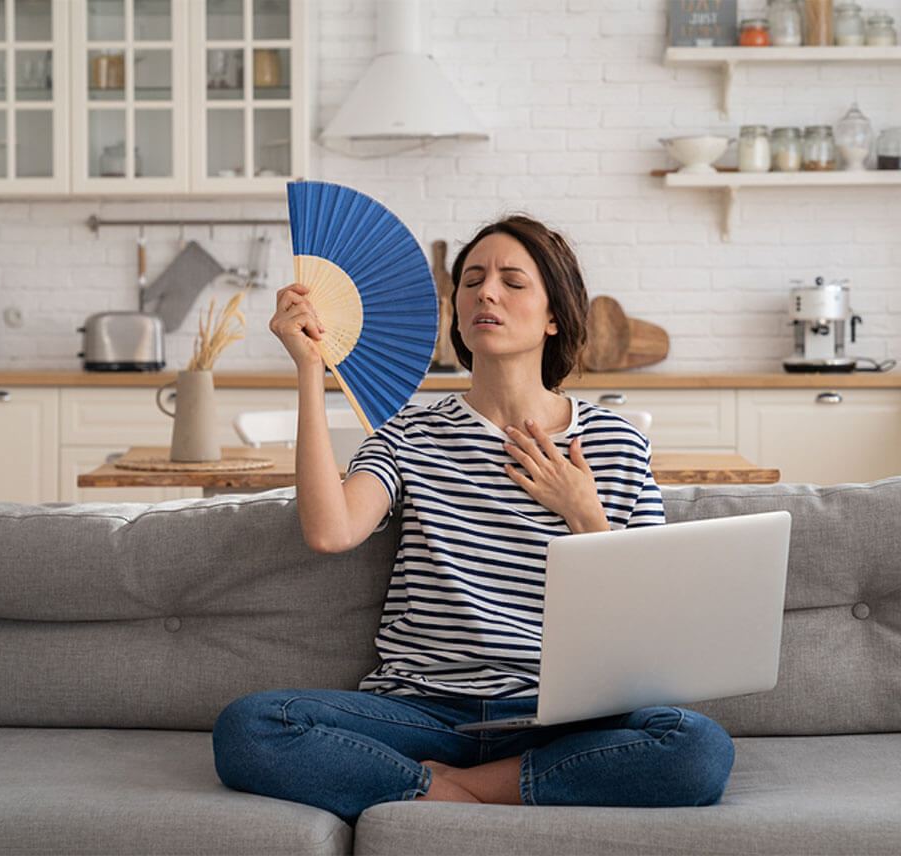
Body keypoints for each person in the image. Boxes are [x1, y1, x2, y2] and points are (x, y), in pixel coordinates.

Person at [212, 215, 734, 821]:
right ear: (456, 311)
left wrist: (584, 514)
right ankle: (478, 788)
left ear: (553, 315)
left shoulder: (615, 440)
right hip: (426, 712)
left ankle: (453, 791)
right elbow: (331, 532)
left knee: (696, 748)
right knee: (253, 728)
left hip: (557, 715)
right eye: (472, 281)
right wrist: (310, 369)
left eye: (513, 281)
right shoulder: (410, 433)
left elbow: (653, 622)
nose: (486, 292)